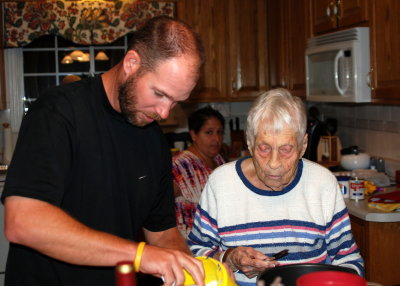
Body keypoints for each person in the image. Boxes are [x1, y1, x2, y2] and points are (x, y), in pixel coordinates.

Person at [1, 16, 206, 286]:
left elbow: (163, 231)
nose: (165, 112)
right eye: (159, 94)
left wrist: (191, 272)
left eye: (176, 101)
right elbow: (23, 222)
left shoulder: (153, 139)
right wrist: (139, 255)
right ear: (132, 64)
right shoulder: (58, 112)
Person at [187, 88, 364, 285]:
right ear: (249, 141)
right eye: (264, 148)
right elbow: (194, 254)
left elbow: (349, 262)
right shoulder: (221, 184)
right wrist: (230, 258)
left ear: (303, 145)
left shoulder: (322, 183)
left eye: (286, 149)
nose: (273, 163)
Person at [172, 106, 225, 238]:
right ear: (194, 135)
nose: (216, 139)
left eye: (220, 132)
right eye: (209, 132)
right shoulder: (181, 165)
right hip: (189, 245)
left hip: (214, 243)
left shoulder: (219, 160)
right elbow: (159, 203)